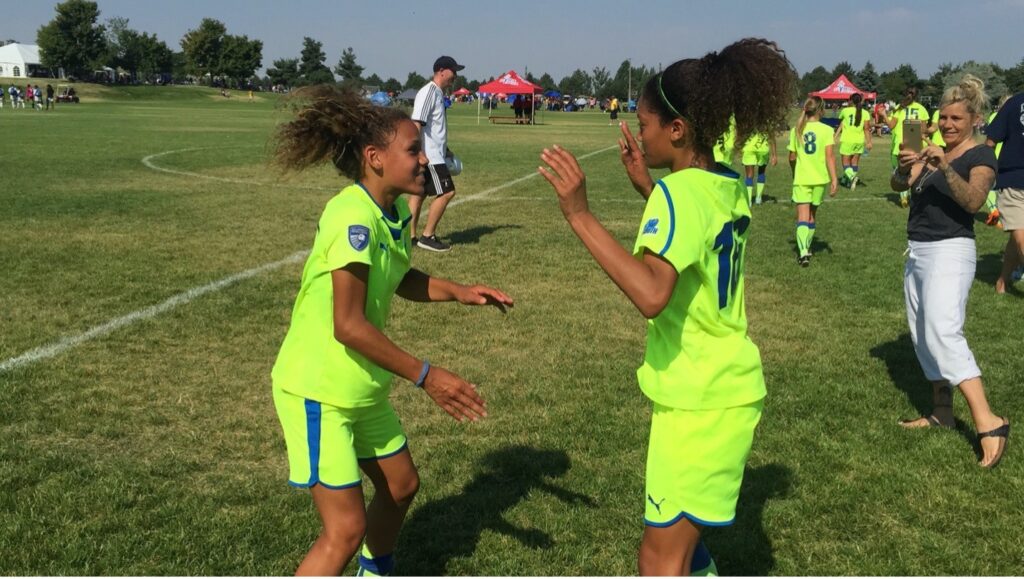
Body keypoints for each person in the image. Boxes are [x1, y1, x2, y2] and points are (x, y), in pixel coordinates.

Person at [538, 37, 795, 576]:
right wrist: (650, 188)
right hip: (725, 387)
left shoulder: (679, 196)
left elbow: (654, 293)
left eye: (646, 123)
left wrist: (580, 214)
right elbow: (697, 238)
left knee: (659, 560)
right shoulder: (726, 183)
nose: (639, 134)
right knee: (685, 551)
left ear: (677, 130)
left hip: (700, 400)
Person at [269, 85, 514, 576]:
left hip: (360, 385)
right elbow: (348, 325)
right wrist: (428, 376)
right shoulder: (351, 217)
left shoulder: (395, 212)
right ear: (375, 158)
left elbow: (399, 277)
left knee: (401, 486)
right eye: (413, 150)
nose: (426, 159)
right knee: (343, 530)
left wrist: (458, 290)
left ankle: (375, 572)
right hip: (319, 389)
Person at [891, 75, 1009, 468]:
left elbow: (975, 201)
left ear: (975, 119)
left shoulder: (980, 158)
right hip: (918, 249)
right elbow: (900, 187)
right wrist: (904, 168)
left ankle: (988, 421)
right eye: (942, 118)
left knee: (944, 331)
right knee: (923, 334)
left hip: (951, 251)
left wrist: (944, 167)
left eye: (955, 118)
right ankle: (941, 411)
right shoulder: (933, 152)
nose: (946, 125)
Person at [408, 55, 465, 252]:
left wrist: (446, 149)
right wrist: (419, 153)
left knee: (419, 194)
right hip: (430, 156)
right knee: (447, 192)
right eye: (453, 72)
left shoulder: (438, 93)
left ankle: (410, 238)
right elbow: (416, 123)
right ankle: (427, 236)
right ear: (441, 71)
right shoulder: (429, 92)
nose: (455, 76)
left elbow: (434, 128)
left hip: (436, 153)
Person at [788, 96, 839, 266]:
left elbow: (792, 156)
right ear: (821, 110)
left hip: (802, 178)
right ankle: (806, 249)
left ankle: (803, 252)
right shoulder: (826, 130)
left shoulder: (797, 130)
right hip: (820, 179)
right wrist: (834, 179)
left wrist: (795, 171)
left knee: (802, 216)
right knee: (811, 215)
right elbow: (829, 157)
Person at [987, 90, 1024, 294]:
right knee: (1021, 239)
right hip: (1014, 181)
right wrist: (985, 172)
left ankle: (1002, 280)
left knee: (1016, 239)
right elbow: (990, 142)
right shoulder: (1014, 104)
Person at [887, 87, 930, 208]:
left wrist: (883, 115)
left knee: (900, 172)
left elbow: (891, 125)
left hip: (900, 145)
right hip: (917, 145)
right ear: (916, 96)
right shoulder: (921, 109)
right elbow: (924, 130)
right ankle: (915, 196)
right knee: (917, 173)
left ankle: (903, 197)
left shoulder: (899, 108)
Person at [834, 93, 872, 191]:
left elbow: (841, 123)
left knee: (845, 163)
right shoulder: (865, 113)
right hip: (859, 141)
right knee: (854, 163)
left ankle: (852, 178)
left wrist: (835, 136)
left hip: (847, 140)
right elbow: (867, 129)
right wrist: (869, 142)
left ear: (850, 100)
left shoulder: (845, 111)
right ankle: (848, 181)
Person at [741, 130, 777, 205]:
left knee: (749, 175)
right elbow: (772, 135)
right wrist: (774, 154)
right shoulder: (766, 119)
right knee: (761, 172)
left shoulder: (747, 118)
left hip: (749, 147)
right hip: (762, 148)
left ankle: (749, 201)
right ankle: (758, 198)